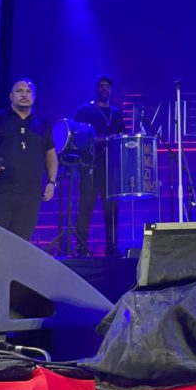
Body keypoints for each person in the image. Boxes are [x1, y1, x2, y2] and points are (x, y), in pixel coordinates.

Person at [0, 79, 58, 240]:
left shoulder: (42, 124)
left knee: (21, 244)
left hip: (30, 196)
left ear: (34, 97)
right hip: (1, 193)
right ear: (11, 96)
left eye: (29, 91)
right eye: (19, 91)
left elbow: (51, 154)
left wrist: (52, 182)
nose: (24, 94)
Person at [74, 76, 126, 257]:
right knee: (85, 209)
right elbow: (78, 138)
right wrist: (104, 139)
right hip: (90, 167)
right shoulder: (84, 111)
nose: (105, 89)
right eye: (101, 86)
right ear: (95, 89)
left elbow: (123, 138)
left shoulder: (117, 113)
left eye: (108, 86)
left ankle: (112, 247)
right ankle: (81, 248)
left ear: (112, 90)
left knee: (112, 210)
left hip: (111, 170)